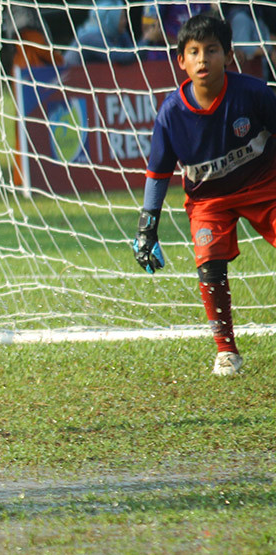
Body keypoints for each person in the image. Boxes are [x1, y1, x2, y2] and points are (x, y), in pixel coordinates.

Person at [133, 14, 276, 376]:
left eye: (211, 50)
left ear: (228, 56)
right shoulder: (170, 115)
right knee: (208, 261)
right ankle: (227, 351)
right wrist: (147, 230)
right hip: (208, 201)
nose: (202, 60)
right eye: (194, 52)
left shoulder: (254, 93)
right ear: (180, 60)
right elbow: (157, 175)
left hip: (265, 187)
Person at [63, 0, 137, 67]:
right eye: (121, 18)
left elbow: (131, 53)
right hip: (69, 76)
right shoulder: (91, 38)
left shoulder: (116, 33)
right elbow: (121, 58)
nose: (125, 21)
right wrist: (145, 39)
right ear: (110, 20)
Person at [139, 2, 215, 60]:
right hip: (163, 59)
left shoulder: (204, 4)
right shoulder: (158, 2)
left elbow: (209, 27)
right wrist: (182, 47)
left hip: (195, 57)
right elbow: (149, 31)